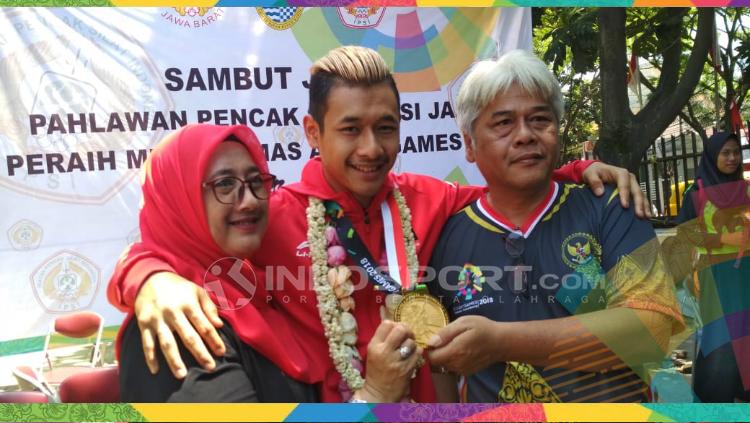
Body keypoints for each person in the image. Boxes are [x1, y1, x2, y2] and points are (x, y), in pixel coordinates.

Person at [108, 46, 650, 403]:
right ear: (313, 134)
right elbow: (183, 247)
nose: (372, 149)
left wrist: (579, 169)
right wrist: (151, 278)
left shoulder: (428, 199)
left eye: (385, 128)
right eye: (350, 129)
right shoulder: (275, 215)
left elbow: (510, 178)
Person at [425, 50, 683, 403]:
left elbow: (651, 330)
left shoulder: (611, 206)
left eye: (539, 119)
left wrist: (499, 341)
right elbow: (440, 363)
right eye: (503, 123)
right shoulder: (445, 237)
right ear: (469, 144)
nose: (525, 135)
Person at [117, 123, 320, 401]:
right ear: (179, 199)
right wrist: (374, 397)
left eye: (255, 181)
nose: (249, 200)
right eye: (224, 184)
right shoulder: (180, 323)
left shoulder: (255, 288)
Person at [675, 131, 750, 402]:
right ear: (712, 156)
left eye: (736, 152)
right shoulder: (697, 194)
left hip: (747, 277)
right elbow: (685, 235)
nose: (732, 158)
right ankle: (713, 406)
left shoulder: (747, 190)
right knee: (721, 340)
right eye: (725, 153)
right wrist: (723, 239)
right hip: (715, 279)